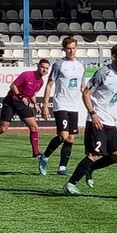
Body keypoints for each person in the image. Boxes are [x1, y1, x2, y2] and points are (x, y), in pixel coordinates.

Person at [62, 44, 117, 195]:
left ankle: (90, 169)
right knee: (94, 154)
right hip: (97, 119)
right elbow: (86, 93)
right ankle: (70, 184)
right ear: (113, 57)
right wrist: (93, 113)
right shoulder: (103, 73)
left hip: (110, 121)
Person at [0, 59, 52, 165]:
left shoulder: (41, 82)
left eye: (47, 68)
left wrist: (36, 105)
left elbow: (32, 94)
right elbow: (13, 86)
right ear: (38, 66)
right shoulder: (27, 75)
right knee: (2, 129)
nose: (44, 70)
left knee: (34, 127)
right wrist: (21, 96)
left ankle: (36, 152)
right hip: (11, 101)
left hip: (22, 104)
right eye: (43, 67)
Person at [40, 37, 86, 177]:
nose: (71, 51)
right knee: (63, 135)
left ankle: (61, 168)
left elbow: (83, 86)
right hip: (61, 104)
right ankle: (44, 157)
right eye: (68, 48)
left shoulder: (80, 66)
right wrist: (46, 106)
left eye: (73, 48)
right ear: (64, 49)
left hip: (74, 105)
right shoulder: (59, 65)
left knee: (71, 138)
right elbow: (49, 85)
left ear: (76, 48)